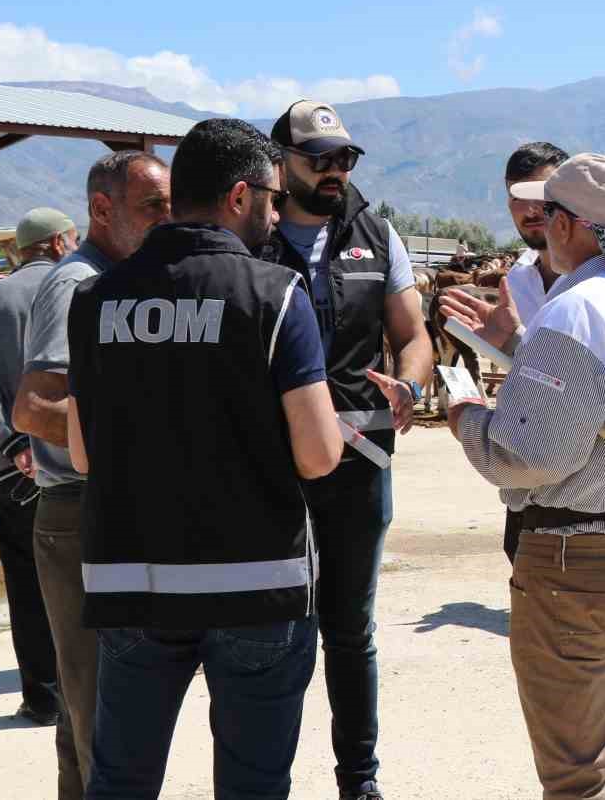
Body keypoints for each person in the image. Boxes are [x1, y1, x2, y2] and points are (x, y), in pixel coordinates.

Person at [66, 118, 342, 800]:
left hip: (133, 580)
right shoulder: (275, 294)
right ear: (239, 196)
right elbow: (317, 455)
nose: (278, 214)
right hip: (257, 583)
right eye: (274, 199)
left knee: (122, 782)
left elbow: (80, 453)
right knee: (253, 785)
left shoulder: (95, 300)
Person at [437, 153, 605, 800]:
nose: (538, 223)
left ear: (567, 225)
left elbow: (533, 456)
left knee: (580, 772)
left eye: (546, 212)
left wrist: (465, 412)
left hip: (577, 563)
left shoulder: (576, 310)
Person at [260, 99, 433, 800]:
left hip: (362, 464)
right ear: (280, 163)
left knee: (348, 629)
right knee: (273, 628)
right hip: (268, 467)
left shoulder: (375, 233)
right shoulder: (249, 237)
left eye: (346, 159)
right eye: (320, 159)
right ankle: (264, 778)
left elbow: (413, 336)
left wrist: (412, 388)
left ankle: (358, 780)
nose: (336, 171)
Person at [13, 150, 171, 800]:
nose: (168, 219)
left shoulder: (125, 275)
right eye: (151, 207)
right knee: (103, 713)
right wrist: (135, 448)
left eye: (171, 204)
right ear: (101, 210)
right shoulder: (78, 282)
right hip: (80, 514)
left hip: (106, 510)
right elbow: (34, 404)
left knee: (88, 709)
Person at [0, 207, 79, 732]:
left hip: (7, 472)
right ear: (56, 244)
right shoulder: (82, 290)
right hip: (76, 466)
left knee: (26, 586)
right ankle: (90, 693)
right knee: (84, 583)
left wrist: (11, 443)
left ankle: (42, 699)